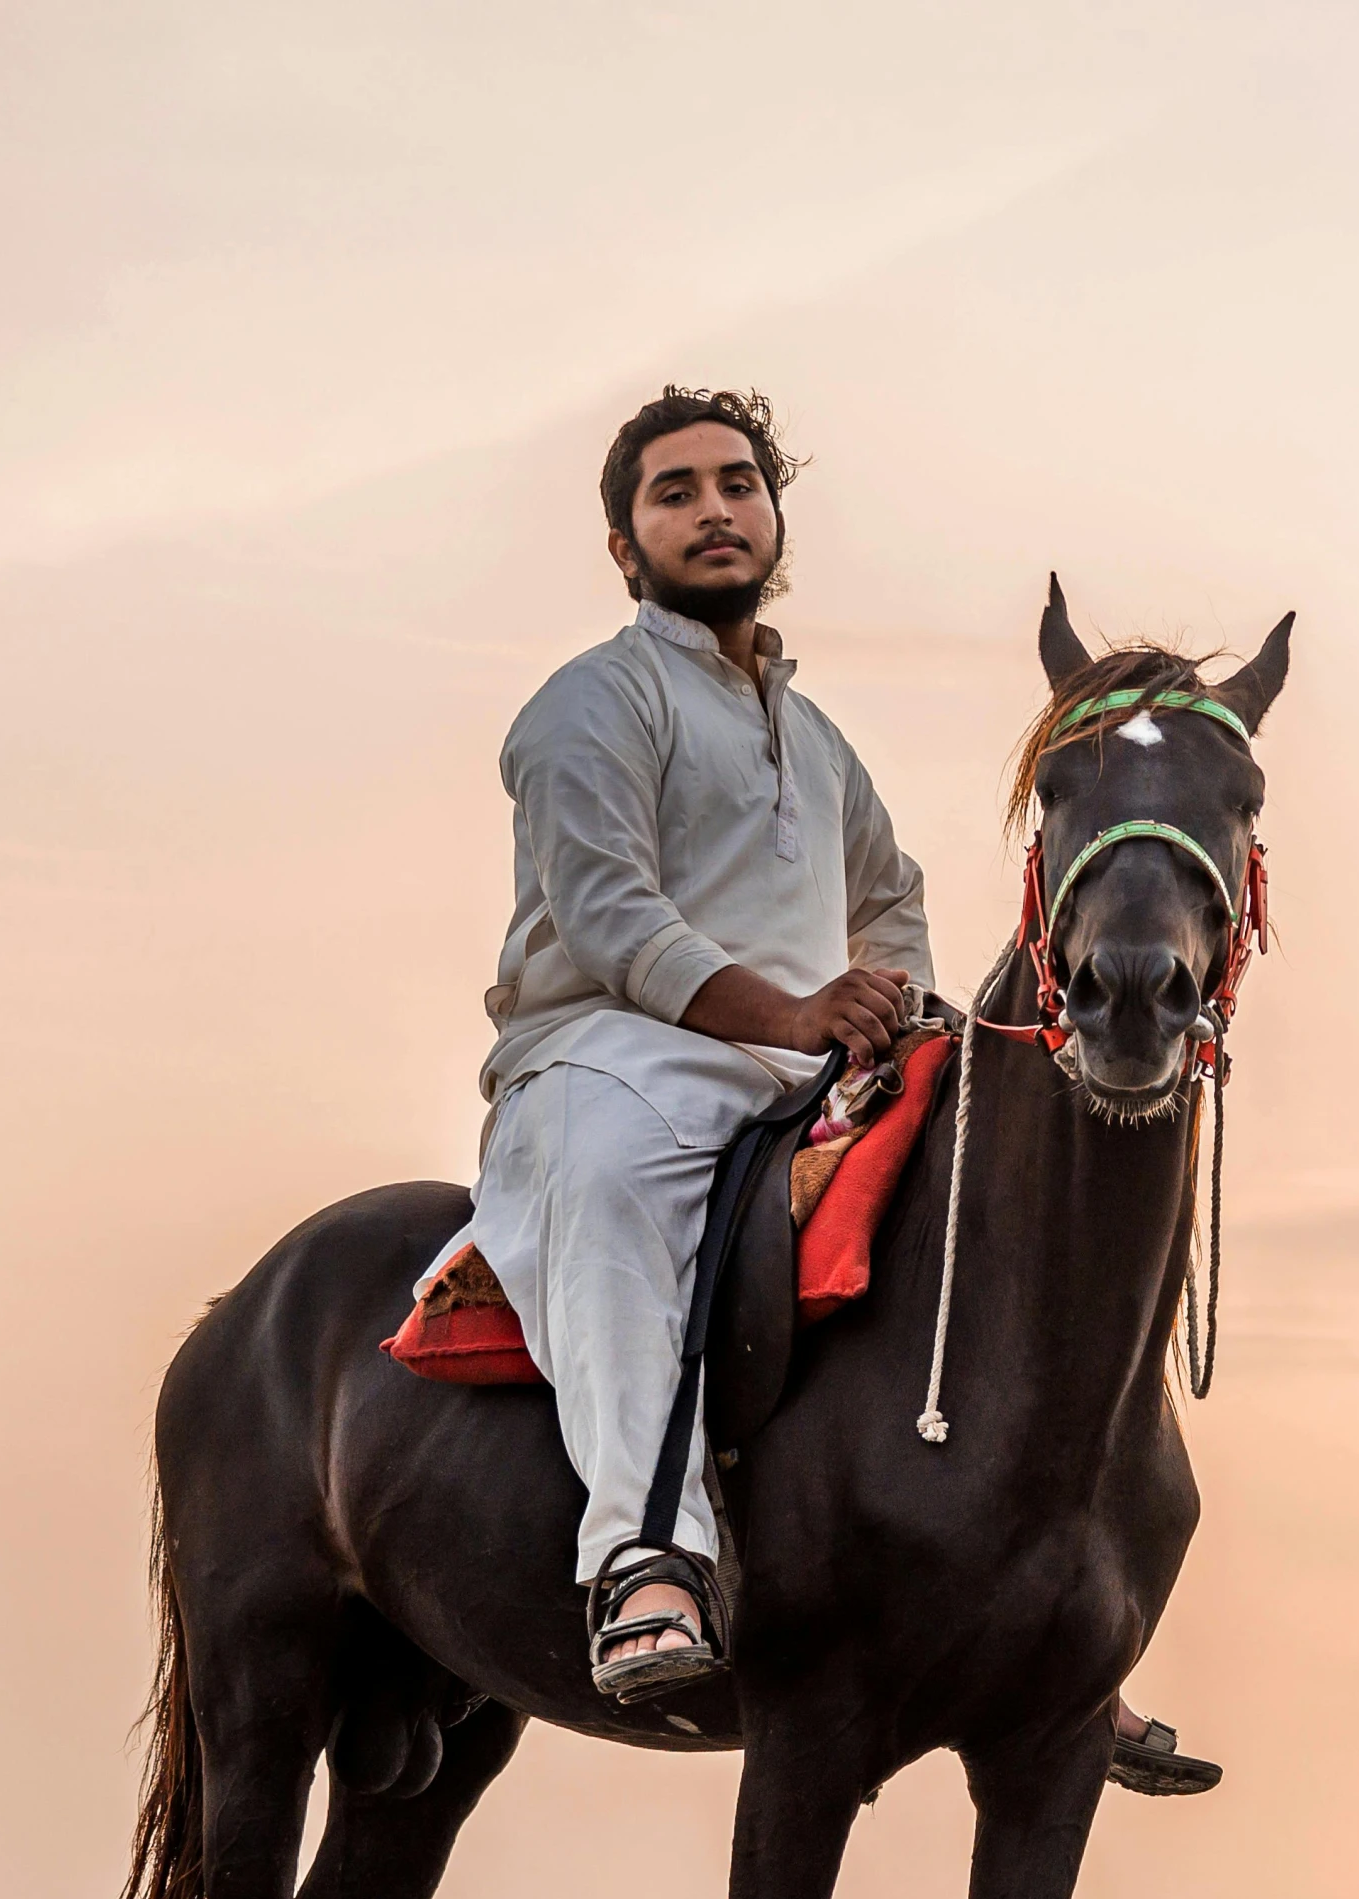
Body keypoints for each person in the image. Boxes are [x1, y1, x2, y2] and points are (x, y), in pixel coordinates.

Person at [437, 384, 1217, 1786]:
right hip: (606, 1062)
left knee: (979, 1236)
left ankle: (1044, 1625)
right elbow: (611, 919)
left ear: (776, 516)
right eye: (674, 491)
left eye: (738, 482)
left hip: (794, 1071)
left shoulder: (820, 739)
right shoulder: (587, 705)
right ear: (626, 542)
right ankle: (642, 1557)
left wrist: (902, 1019)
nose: (714, 508)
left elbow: (894, 898)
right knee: (613, 1191)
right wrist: (796, 1007)